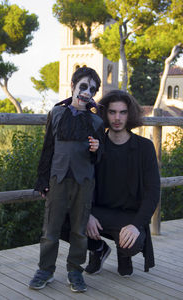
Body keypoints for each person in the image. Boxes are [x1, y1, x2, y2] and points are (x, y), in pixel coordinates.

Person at [61, 89, 160, 277]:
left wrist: (136, 225)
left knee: (134, 244)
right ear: (104, 114)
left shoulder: (144, 147)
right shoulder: (95, 146)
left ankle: (124, 253)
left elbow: (153, 192)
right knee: (60, 219)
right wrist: (87, 214)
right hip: (99, 214)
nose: (117, 118)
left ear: (130, 115)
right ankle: (98, 248)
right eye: (112, 112)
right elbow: (80, 184)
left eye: (123, 112)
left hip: (129, 217)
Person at [29, 67, 104, 292]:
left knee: (79, 230)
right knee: (50, 229)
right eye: (83, 86)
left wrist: (96, 149)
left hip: (84, 182)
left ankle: (75, 270)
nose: (87, 92)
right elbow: (47, 150)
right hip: (57, 179)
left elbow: (100, 158)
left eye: (92, 89)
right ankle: (45, 269)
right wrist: (43, 179)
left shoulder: (96, 122)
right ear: (72, 86)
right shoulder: (57, 113)